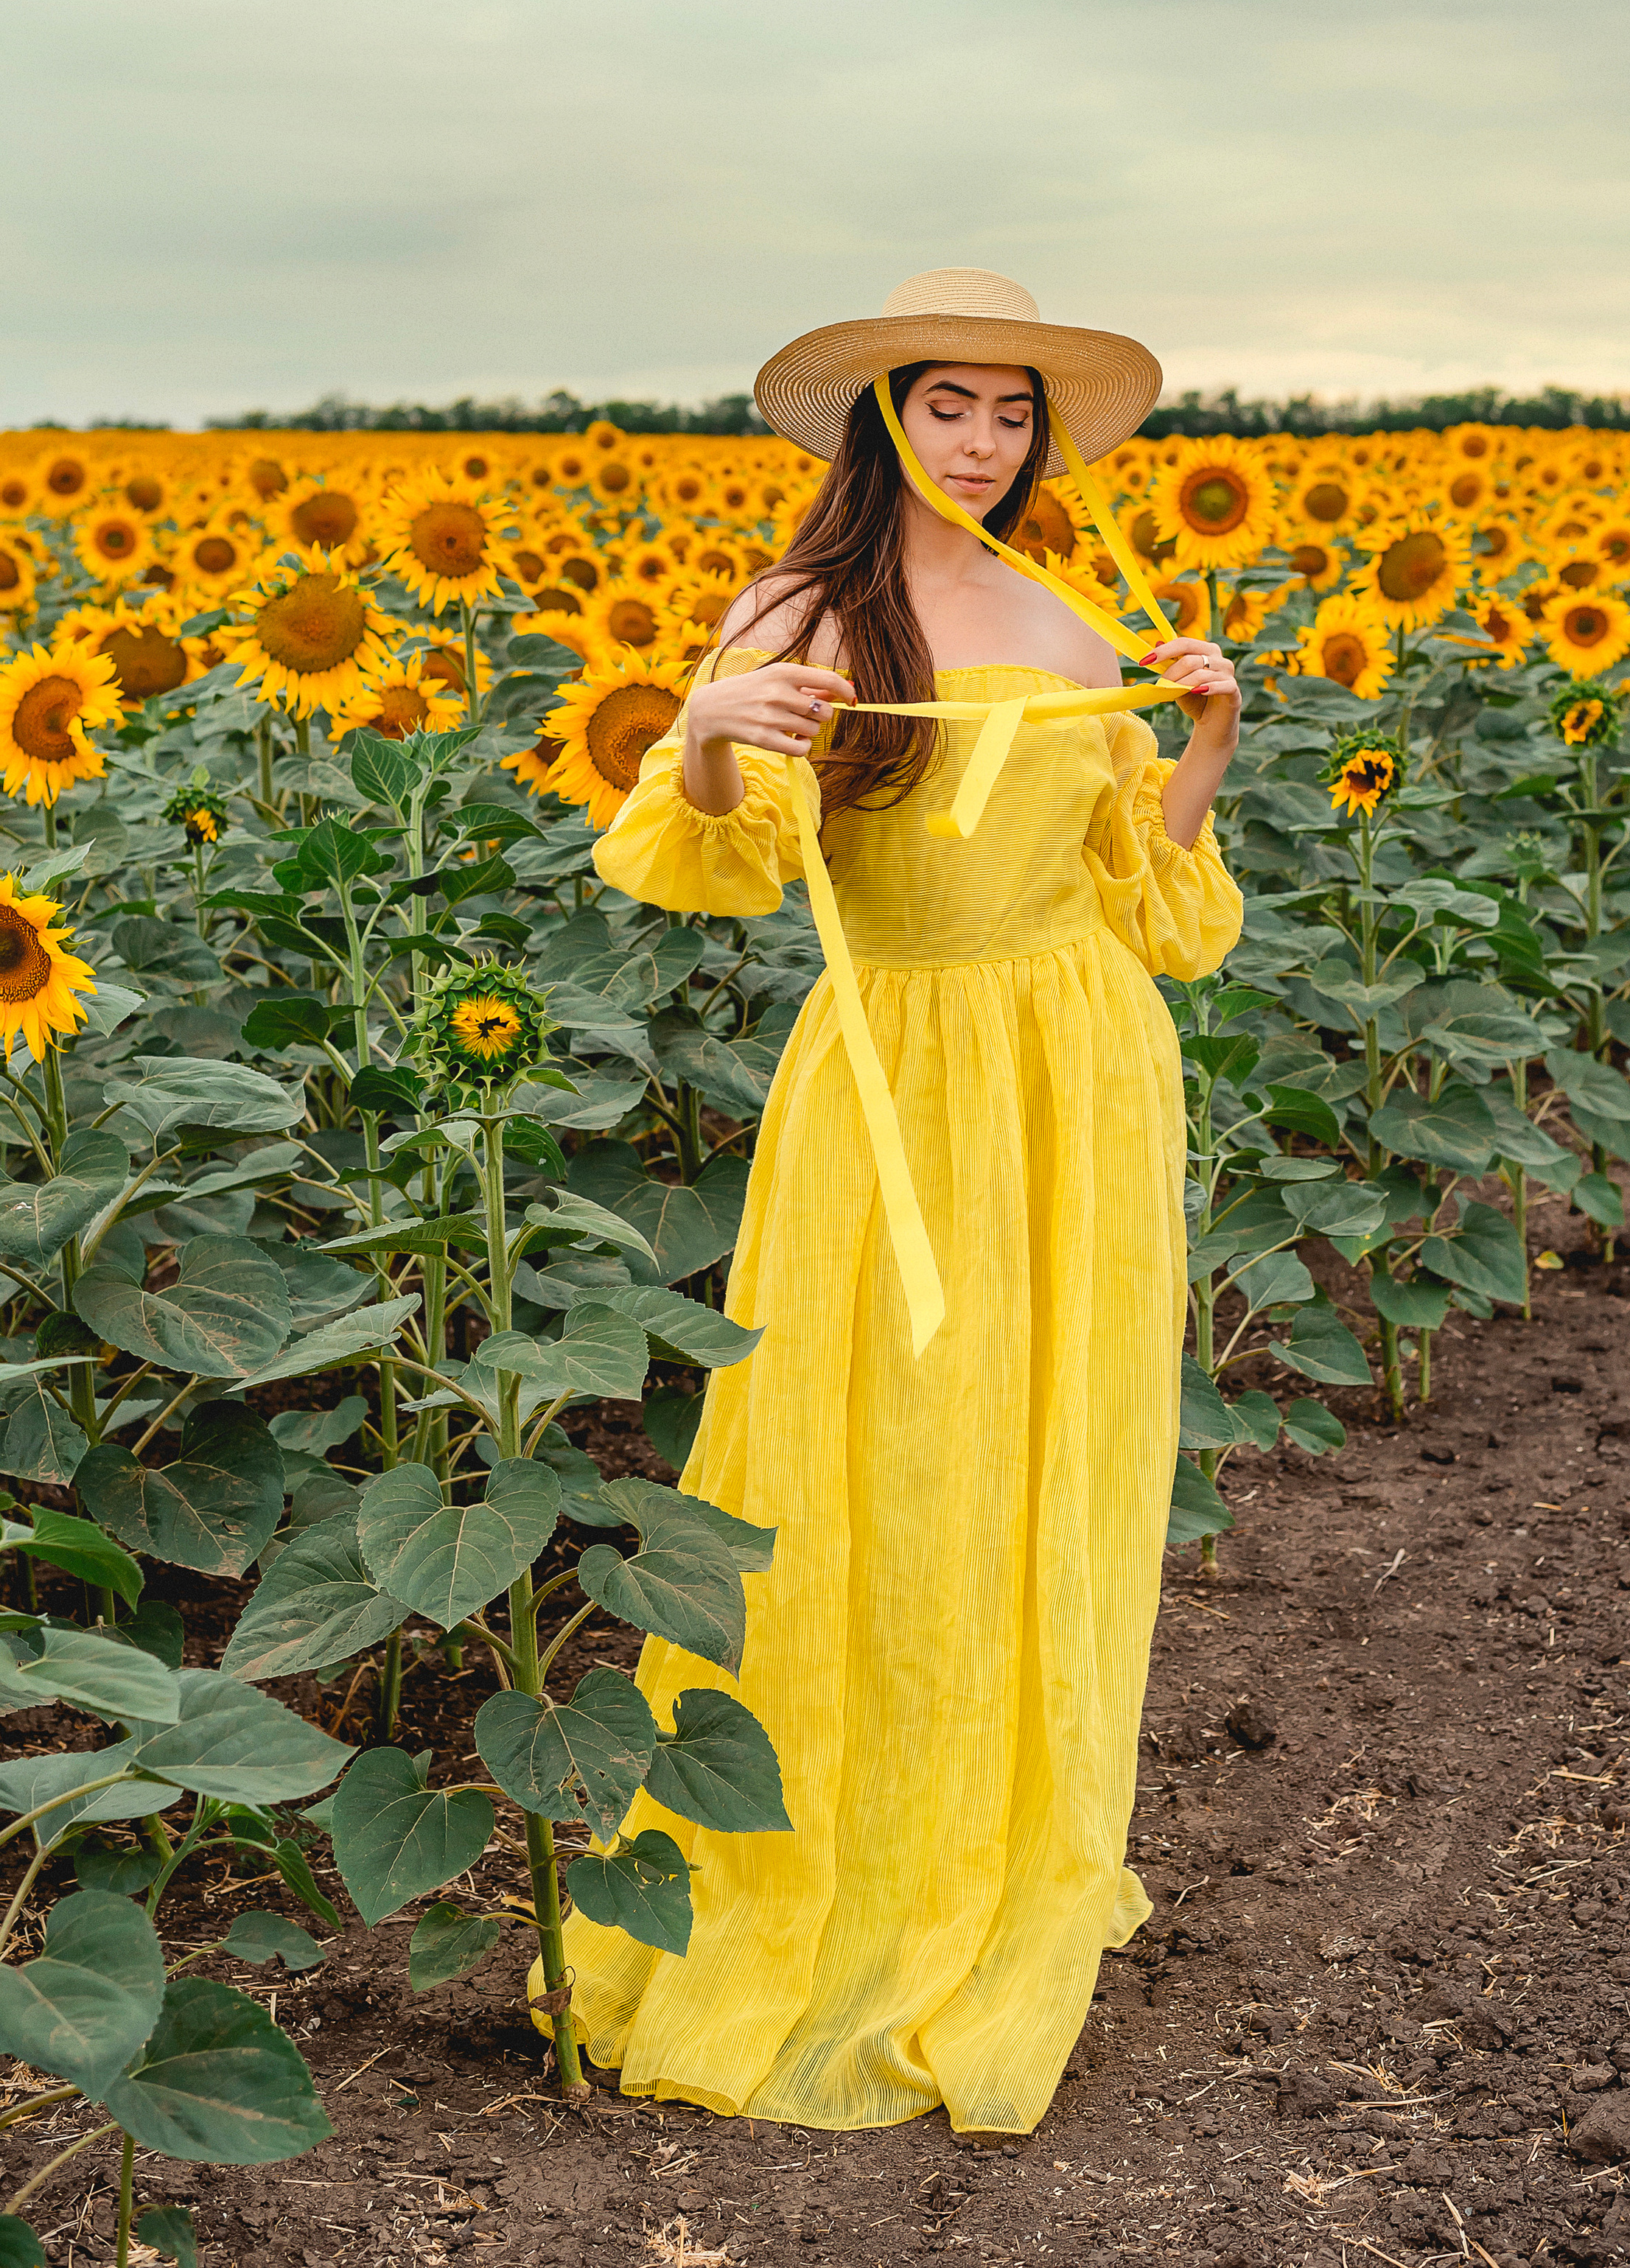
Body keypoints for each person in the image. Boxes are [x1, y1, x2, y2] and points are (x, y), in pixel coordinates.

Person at [558, 269, 1244, 2135]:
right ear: (884, 419)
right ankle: (831, 1871)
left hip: (1077, 1074)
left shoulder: (1069, 610)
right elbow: (697, 857)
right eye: (949, 406)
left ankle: (999, 1855)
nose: (982, 440)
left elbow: (1140, 901)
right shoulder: (806, 606)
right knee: (861, 1456)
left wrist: (1199, 747)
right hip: (889, 1079)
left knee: (1046, 1456)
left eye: (1010, 413)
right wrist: (712, 723)